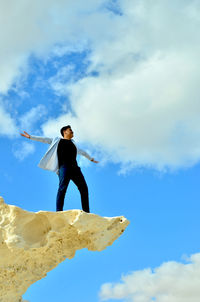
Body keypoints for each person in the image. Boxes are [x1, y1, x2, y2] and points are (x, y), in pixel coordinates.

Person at [20, 125, 98, 213]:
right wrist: (30, 137)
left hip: (75, 169)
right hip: (64, 168)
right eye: (70, 130)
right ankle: (59, 212)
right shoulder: (57, 140)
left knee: (84, 188)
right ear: (65, 132)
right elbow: (45, 139)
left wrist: (91, 158)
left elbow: (82, 152)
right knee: (62, 188)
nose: (72, 131)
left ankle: (87, 212)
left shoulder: (73, 144)